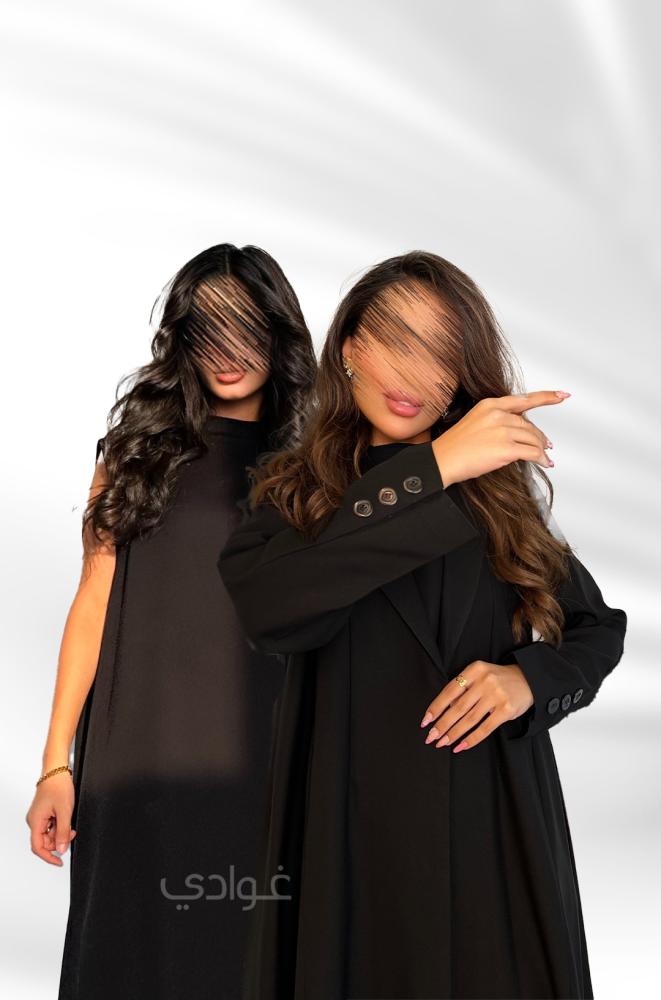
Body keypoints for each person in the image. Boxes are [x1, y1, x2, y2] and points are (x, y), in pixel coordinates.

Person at [217, 251, 627, 1000]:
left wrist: (528, 681)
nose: (414, 373)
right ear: (350, 347)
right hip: (346, 836)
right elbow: (270, 607)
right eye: (396, 340)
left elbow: (597, 628)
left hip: (492, 825)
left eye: (441, 353)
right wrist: (431, 468)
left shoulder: (498, 498)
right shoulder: (293, 494)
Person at [25, 243, 317, 1000]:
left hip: (264, 759)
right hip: (134, 757)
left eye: (246, 326)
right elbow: (93, 600)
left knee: (248, 962)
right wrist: (56, 766)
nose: (228, 349)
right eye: (207, 328)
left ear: (278, 335)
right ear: (182, 338)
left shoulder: (313, 469)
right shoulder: (134, 454)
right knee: (131, 960)